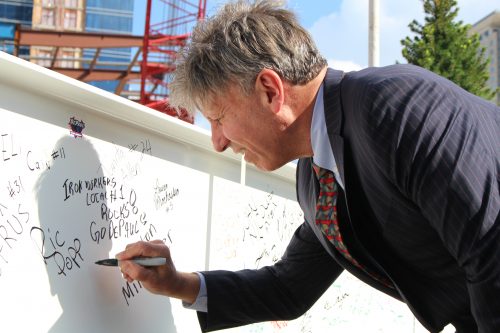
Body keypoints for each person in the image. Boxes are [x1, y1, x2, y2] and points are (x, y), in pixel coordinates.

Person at [116, 1, 500, 332]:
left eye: (217, 118)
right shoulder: (316, 177)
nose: (217, 142)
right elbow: (288, 288)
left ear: (270, 91)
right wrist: (177, 283)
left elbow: (492, 250)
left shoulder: (393, 106)